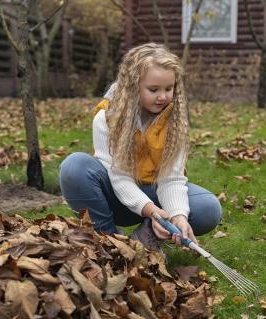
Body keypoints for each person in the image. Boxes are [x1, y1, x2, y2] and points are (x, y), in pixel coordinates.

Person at [59, 43, 222, 252]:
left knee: (207, 209)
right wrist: (151, 210)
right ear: (133, 87)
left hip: (153, 192)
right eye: (153, 90)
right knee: (75, 166)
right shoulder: (107, 117)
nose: (163, 96)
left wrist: (177, 215)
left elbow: (171, 179)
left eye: (168, 89)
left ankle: (145, 238)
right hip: (113, 197)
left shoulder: (175, 121)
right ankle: (107, 240)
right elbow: (118, 177)